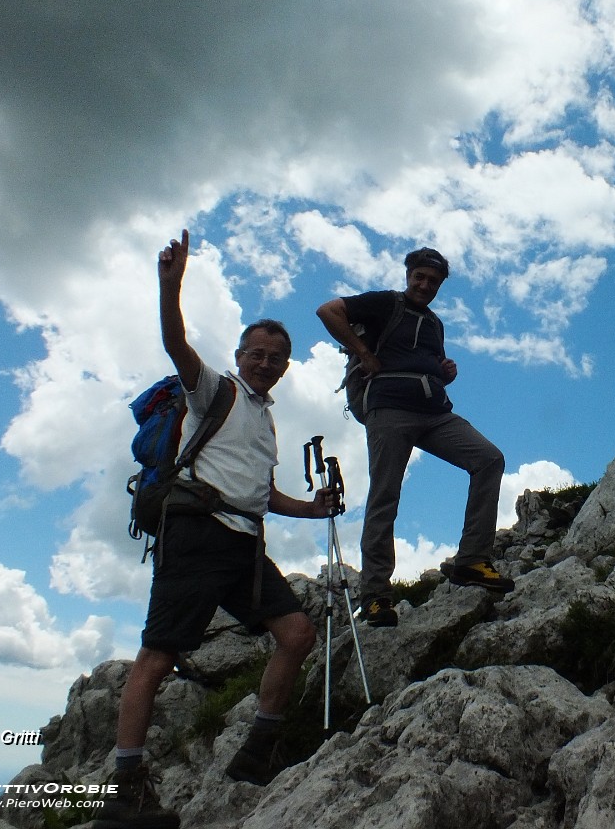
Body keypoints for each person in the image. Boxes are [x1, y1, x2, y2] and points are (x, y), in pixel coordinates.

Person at [100, 230, 332, 829]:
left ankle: (258, 751)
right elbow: (176, 343)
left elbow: (263, 495)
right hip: (198, 532)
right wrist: (170, 285)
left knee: (298, 633)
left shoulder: (264, 420)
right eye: (256, 352)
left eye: (275, 358)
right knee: (159, 653)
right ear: (239, 355)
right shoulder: (213, 392)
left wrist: (316, 508)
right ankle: (125, 786)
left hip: (244, 543)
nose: (265, 362)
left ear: (284, 367)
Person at [316, 247, 513, 628]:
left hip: (435, 411)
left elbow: (421, 360)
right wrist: (362, 352)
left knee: (489, 458)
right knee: (385, 494)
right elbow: (328, 310)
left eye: (432, 281)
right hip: (388, 408)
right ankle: (375, 596)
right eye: (419, 277)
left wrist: (443, 371)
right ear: (408, 275)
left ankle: (472, 559)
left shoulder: (435, 324)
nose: (424, 285)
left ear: (439, 285)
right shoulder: (384, 303)